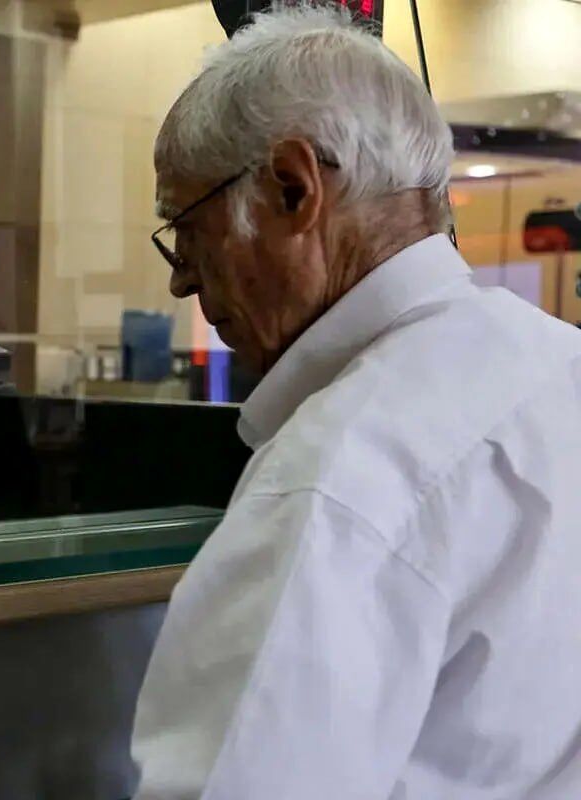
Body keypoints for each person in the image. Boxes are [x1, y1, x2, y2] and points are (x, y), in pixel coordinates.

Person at [132, 6, 581, 799]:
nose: (181, 279)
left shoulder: (335, 483)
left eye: (188, 229)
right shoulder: (558, 370)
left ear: (293, 188)